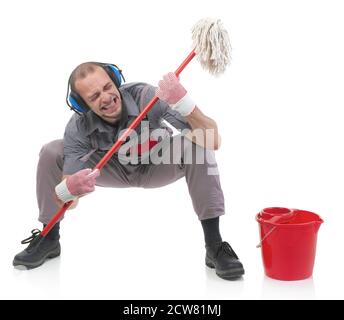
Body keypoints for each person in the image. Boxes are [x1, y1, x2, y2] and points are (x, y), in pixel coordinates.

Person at [13, 62, 244, 280]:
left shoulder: (147, 96)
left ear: (116, 81)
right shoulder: (78, 127)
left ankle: (214, 245)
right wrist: (68, 190)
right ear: (83, 106)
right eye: (94, 97)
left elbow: (213, 140)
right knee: (52, 150)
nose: (106, 98)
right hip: (111, 168)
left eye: (107, 87)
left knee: (198, 144)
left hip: (156, 162)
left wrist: (185, 102)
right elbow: (68, 202)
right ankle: (49, 237)